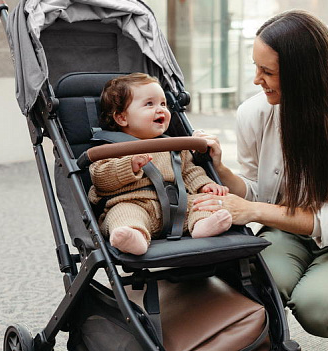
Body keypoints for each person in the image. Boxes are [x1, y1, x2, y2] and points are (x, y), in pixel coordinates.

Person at [192, 10, 328, 351]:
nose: (257, 80)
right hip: (286, 231)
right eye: (256, 68)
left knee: (320, 308)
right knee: (252, 282)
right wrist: (221, 170)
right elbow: (257, 191)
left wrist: (252, 212)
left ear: (303, 73)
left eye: (267, 72)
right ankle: (273, 326)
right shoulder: (254, 112)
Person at [89, 73, 232, 255]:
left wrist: (205, 185)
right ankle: (133, 237)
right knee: (123, 214)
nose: (160, 109)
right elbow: (100, 177)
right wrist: (129, 165)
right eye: (149, 104)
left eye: (163, 104)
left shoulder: (174, 146)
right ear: (122, 118)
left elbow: (190, 171)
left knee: (202, 203)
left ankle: (202, 225)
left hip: (177, 206)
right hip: (135, 203)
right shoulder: (112, 148)